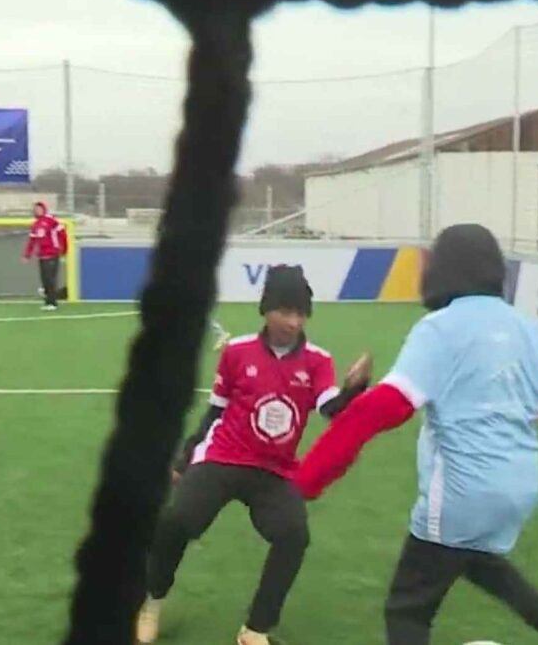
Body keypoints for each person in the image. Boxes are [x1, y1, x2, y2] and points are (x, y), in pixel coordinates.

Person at [293, 224, 538, 645]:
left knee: (407, 609)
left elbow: (377, 411)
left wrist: (305, 482)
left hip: (462, 491)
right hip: (519, 489)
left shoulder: (439, 329)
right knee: (474, 558)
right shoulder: (527, 329)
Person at [136, 265, 372, 645]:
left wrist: (353, 390)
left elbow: (331, 410)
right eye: (286, 311)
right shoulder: (236, 352)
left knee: (294, 535)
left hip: (273, 471)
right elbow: (215, 411)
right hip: (223, 457)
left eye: (301, 313)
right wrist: (184, 459)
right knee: (176, 521)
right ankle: (151, 603)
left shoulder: (318, 361)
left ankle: (255, 629)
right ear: (266, 309)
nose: (294, 322)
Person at [23, 201, 68, 311]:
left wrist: (64, 249)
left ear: (44, 209)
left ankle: (53, 303)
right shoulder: (35, 224)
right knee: (44, 280)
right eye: (35, 209)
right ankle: (48, 302)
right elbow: (32, 241)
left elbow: (62, 233)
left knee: (50, 279)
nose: (37, 211)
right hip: (42, 256)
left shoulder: (51, 220)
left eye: (39, 209)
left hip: (52, 254)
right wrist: (27, 255)